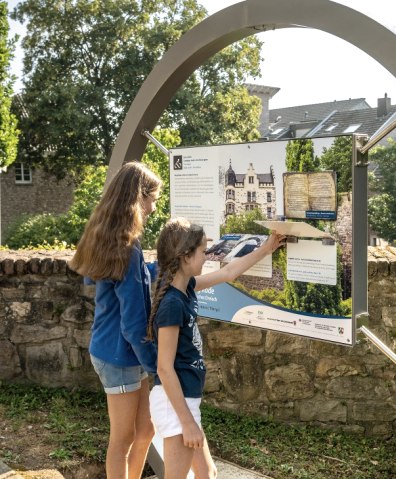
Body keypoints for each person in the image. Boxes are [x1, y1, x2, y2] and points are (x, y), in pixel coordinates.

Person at [147, 218, 284, 479]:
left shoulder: (186, 287)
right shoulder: (172, 304)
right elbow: (164, 369)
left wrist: (267, 248)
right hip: (176, 405)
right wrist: (187, 422)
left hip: (184, 402)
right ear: (185, 256)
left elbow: (228, 273)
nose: (206, 256)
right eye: (202, 251)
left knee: (207, 473)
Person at [69, 161, 162, 479]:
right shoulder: (126, 248)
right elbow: (134, 324)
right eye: (152, 198)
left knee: (146, 430)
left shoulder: (110, 241)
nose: (153, 206)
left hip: (120, 350)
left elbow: (105, 282)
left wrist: (154, 270)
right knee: (122, 440)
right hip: (120, 354)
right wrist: (156, 368)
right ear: (138, 198)